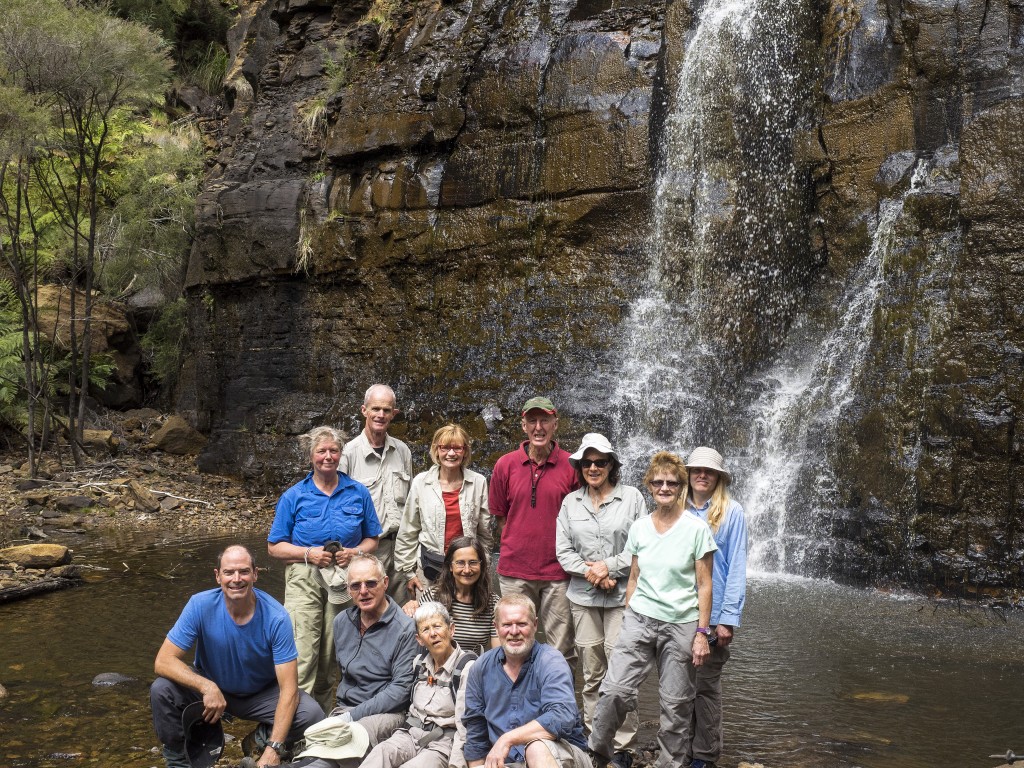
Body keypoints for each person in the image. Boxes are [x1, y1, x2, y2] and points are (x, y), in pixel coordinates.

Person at [588, 452, 717, 768]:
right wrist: (630, 611)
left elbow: (705, 585)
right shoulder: (641, 527)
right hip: (640, 619)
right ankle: (597, 754)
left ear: (680, 487)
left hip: (681, 624)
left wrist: (702, 633)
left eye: (671, 483)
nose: (664, 487)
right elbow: (634, 576)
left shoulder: (696, 529)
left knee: (676, 705)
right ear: (649, 486)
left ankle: (669, 764)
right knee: (614, 690)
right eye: (658, 482)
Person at [150, 545, 324, 768]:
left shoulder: (277, 617)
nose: (236, 579)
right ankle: (180, 759)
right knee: (162, 689)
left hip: (260, 694)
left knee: (313, 715)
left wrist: (274, 748)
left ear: (255, 574)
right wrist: (207, 687)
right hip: (211, 688)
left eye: (243, 571)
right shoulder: (199, 605)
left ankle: (261, 739)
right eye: (229, 572)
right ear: (217, 576)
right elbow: (163, 661)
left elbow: (289, 689)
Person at [268, 426, 382, 710]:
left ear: (341, 454)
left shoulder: (357, 492)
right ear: (311, 456)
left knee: (332, 655)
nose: (328, 457)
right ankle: (294, 723)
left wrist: (353, 552)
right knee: (303, 653)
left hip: (344, 579)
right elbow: (274, 547)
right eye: (321, 451)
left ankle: (319, 720)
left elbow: (373, 539)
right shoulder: (294, 496)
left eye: (333, 450)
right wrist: (308, 553)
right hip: (303, 578)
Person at [555, 434, 645, 768]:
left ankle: (622, 746)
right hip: (583, 598)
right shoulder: (570, 503)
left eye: (601, 462)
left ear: (612, 465)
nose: (594, 468)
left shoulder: (632, 498)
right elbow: (563, 551)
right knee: (592, 673)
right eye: (587, 463)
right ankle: (596, 742)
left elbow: (639, 545)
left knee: (622, 675)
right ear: (579, 467)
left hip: (624, 598)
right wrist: (594, 574)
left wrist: (610, 568)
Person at [488, 396, 579, 670]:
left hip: (559, 573)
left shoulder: (572, 465)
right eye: (532, 421)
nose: (538, 427)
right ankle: (516, 706)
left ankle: (559, 708)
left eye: (545, 420)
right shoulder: (505, 465)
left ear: (555, 424)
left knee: (561, 649)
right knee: (513, 645)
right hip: (515, 571)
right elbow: (501, 518)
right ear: (523, 425)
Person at [462, 594, 592, 768]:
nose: (514, 632)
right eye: (507, 625)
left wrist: (507, 739)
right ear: (496, 627)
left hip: (560, 757)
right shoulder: (480, 667)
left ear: (535, 625)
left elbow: (562, 717)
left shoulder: (551, 661)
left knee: (536, 748)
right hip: (508, 763)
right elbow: (476, 732)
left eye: (522, 624)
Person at [684, 447, 748, 768]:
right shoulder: (676, 508)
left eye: (709, 471)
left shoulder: (731, 512)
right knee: (680, 685)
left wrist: (727, 619)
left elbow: (736, 566)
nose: (702, 475)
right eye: (696, 469)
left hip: (715, 615)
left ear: (719, 477)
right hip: (679, 612)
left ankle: (705, 755)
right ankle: (682, 749)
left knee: (706, 686)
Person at [330, 553, 419, 745]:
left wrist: (351, 717)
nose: (363, 591)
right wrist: (344, 715)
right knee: (321, 738)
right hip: (346, 709)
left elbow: (401, 691)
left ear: (385, 583)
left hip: (388, 714)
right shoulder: (341, 622)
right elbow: (344, 674)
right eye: (356, 585)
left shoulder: (405, 629)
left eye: (370, 583)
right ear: (348, 590)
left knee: (350, 740)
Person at [395, 424, 492, 596]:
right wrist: (408, 574)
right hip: (430, 569)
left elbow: (484, 533)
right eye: (445, 447)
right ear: (436, 450)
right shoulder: (421, 482)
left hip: (467, 570)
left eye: (457, 448)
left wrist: (483, 566)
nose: (451, 453)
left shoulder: (478, 482)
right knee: (431, 620)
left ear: (465, 451)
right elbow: (408, 530)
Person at [339, 384, 413, 599]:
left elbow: (410, 503)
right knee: (367, 610)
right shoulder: (347, 454)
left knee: (401, 613)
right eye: (375, 409)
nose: (380, 415)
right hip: (366, 550)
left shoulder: (403, 451)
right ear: (364, 410)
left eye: (387, 410)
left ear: (394, 414)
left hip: (401, 548)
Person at [402, 536, 500, 654]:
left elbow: (497, 652)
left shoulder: (492, 603)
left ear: (481, 565)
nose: (467, 570)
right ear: (450, 566)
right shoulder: (433, 596)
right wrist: (411, 607)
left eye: (473, 562)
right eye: (460, 563)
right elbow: (414, 638)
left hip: (474, 668)